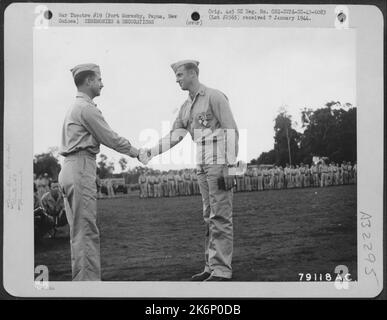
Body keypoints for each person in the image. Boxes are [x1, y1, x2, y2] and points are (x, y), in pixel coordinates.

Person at [141, 60, 238, 281]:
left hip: (218, 156)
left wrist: (230, 166)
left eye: (180, 75)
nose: (177, 79)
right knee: (208, 216)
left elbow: (231, 129)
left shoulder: (215, 96)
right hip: (200, 158)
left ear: (193, 74)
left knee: (220, 215)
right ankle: (211, 266)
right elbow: (175, 135)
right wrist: (151, 152)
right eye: (176, 75)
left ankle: (222, 269)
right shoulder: (186, 106)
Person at [58, 63, 142, 281]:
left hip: (70, 168)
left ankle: (82, 284)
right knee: (86, 233)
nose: (102, 84)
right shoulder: (86, 108)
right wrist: (136, 152)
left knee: (79, 233)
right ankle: (89, 288)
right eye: (99, 79)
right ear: (88, 81)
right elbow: (110, 138)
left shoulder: (76, 107)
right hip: (80, 168)